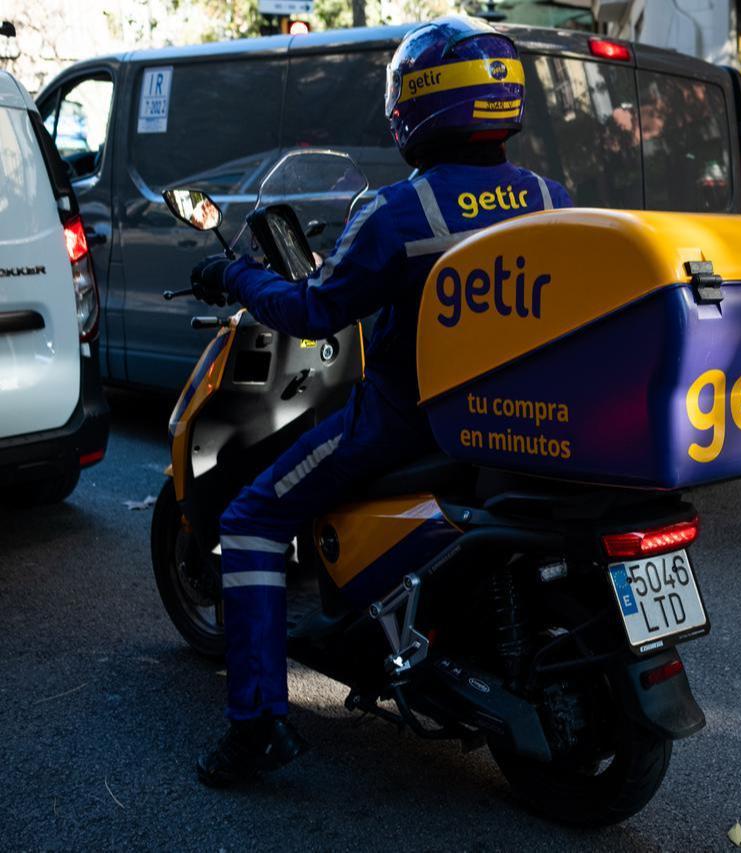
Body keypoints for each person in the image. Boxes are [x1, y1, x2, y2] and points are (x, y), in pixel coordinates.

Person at [189, 15, 572, 787]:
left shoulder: (401, 212)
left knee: (253, 521)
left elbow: (313, 312)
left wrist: (231, 276)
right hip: (524, 423)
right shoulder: (548, 196)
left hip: (407, 420)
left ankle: (257, 724)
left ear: (415, 106)